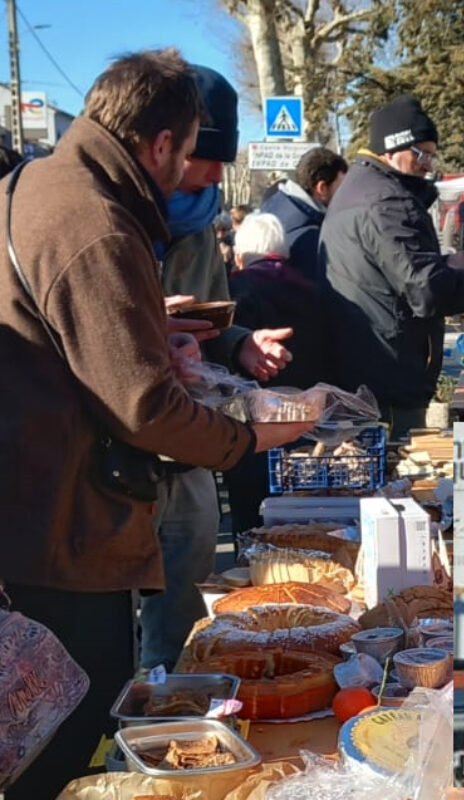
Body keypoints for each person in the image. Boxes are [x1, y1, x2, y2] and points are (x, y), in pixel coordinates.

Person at [0, 50, 311, 798]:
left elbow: (68, 345)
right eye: (189, 154)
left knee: (51, 720)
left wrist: (156, 333)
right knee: (67, 730)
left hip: (40, 510)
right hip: (62, 527)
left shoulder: (41, 184)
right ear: (161, 142)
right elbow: (139, 406)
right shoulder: (95, 221)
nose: (188, 178)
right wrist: (251, 437)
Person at [140, 65, 296, 673]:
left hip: (187, 446)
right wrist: (151, 326)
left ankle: (166, 708)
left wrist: (238, 344)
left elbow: (208, 318)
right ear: (170, 146)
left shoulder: (201, 222)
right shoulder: (111, 219)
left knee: (181, 616)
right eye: (208, 161)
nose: (217, 179)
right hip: (113, 458)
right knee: (102, 632)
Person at [319, 94, 464, 437]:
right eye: (421, 153)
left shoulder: (360, 189)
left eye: (433, 155)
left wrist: (447, 263)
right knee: (396, 475)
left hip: (366, 364)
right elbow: (426, 290)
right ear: (391, 150)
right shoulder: (388, 200)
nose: (429, 165)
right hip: (388, 373)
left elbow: (389, 270)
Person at [226, 212, 333, 531]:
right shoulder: (313, 287)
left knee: (250, 519)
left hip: (253, 424)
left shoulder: (237, 289)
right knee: (299, 518)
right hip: (305, 417)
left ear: (241, 255)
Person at [261, 146, 347, 281]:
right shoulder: (312, 239)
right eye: (341, 187)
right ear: (322, 188)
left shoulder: (272, 211)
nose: (345, 194)